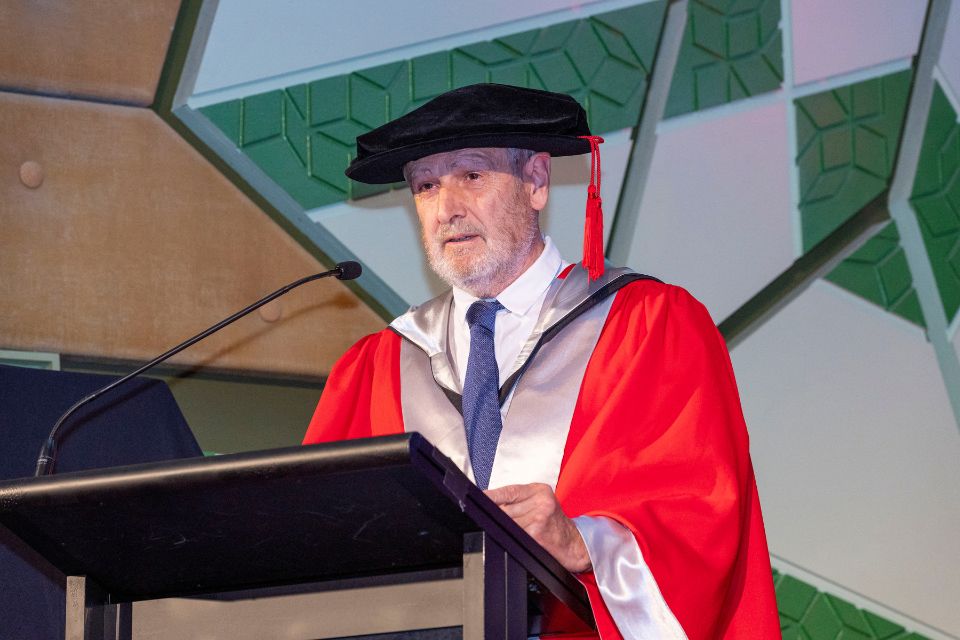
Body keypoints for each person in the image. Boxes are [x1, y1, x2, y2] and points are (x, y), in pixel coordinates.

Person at [303, 83, 780, 639]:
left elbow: (703, 515)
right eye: (426, 186)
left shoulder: (648, 326)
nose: (447, 209)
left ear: (535, 181)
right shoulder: (379, 364)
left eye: (472, 176)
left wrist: (583, 542)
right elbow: (318, 544)